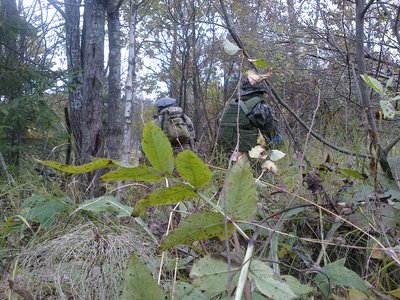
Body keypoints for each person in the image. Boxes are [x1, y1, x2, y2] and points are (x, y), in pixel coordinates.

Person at [218, 79, 282, 153]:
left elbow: (218, 121)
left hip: (224, 152)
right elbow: (273, 130)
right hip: (248, 155)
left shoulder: (230, 105)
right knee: (278, 137)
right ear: (260, 92)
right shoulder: (261, 105)